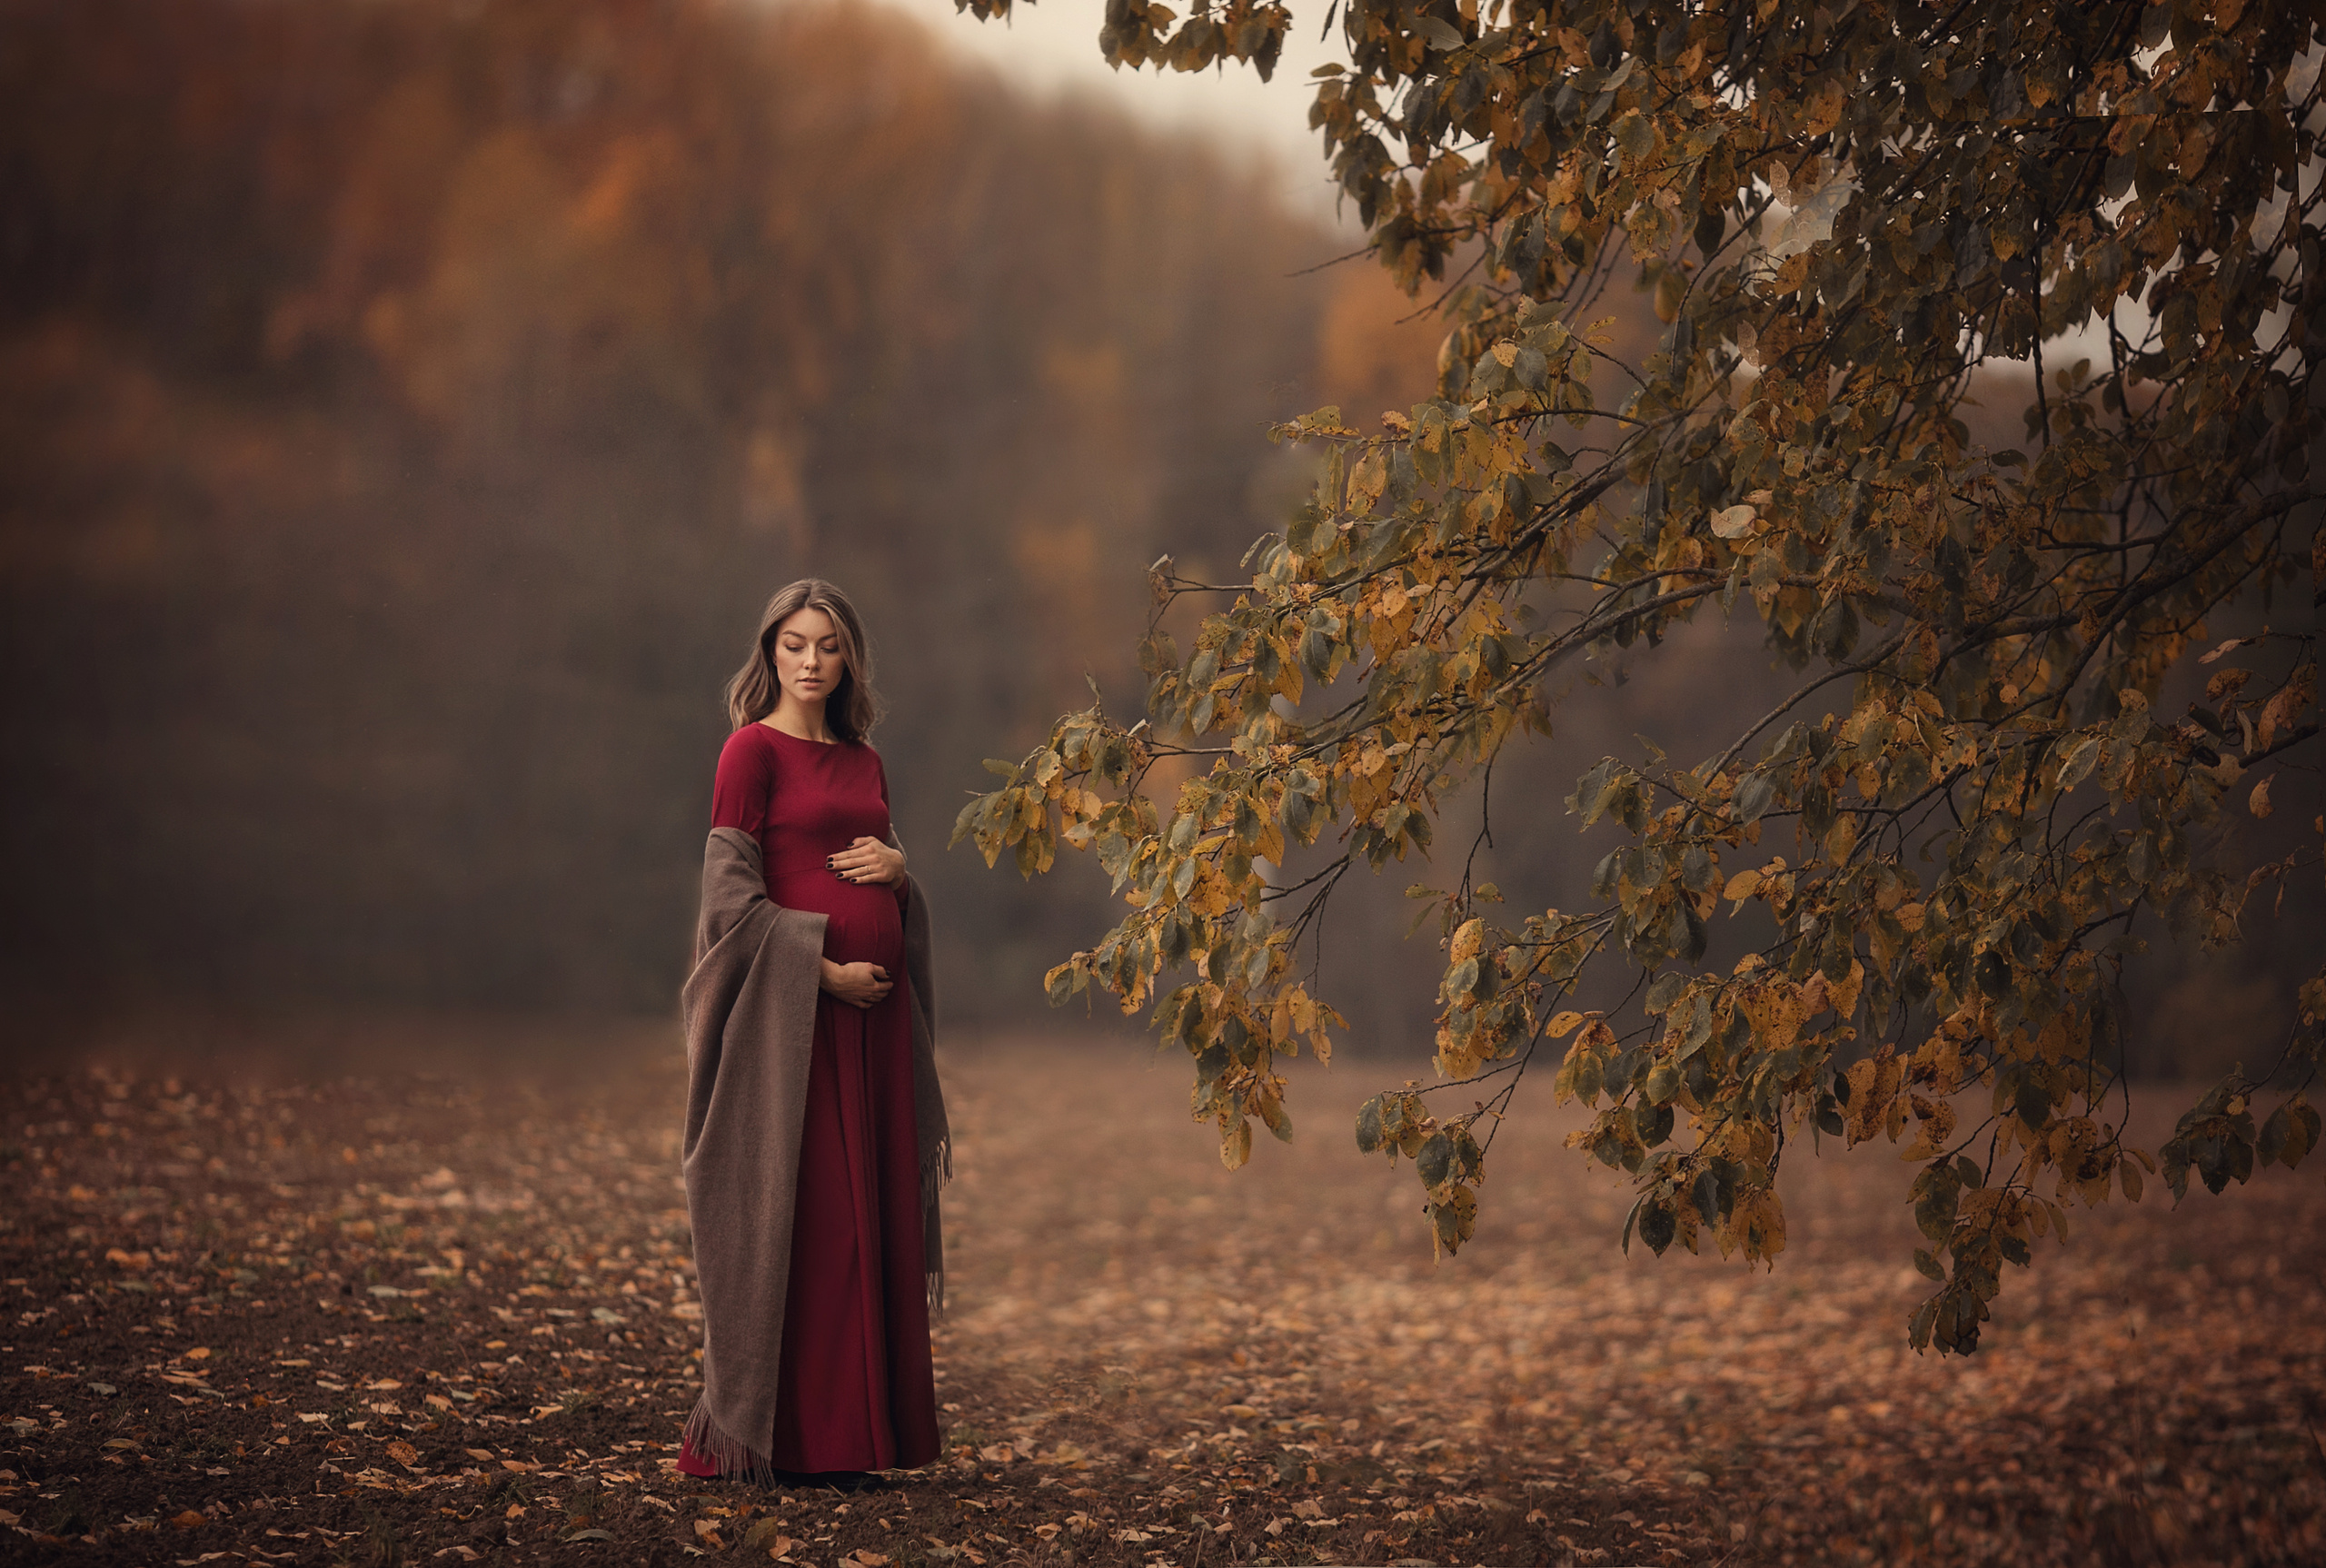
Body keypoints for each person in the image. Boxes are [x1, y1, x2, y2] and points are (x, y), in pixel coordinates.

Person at [675, 579, 947, 1486]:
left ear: (849, 658)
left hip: (873, 1038)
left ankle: (859, 1440)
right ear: (769, 652)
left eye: (827, 645)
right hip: (795, 1035)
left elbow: (883, 874)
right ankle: (788, 1440)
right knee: (813, 1230)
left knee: (870, 1229)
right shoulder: (748, 753)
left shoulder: (865, 760)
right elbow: (728, 904)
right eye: (793, 643)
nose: (809, 661)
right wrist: (821, 974)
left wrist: (902, 877)